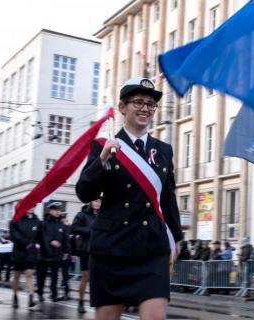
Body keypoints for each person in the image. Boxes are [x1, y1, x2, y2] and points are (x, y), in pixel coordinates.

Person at [75, 77, 183, 320]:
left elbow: (168, 198)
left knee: (155, 316)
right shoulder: (103, 146)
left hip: (151, 247)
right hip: (112, 247)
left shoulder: (163, 150)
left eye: (151, 104)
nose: (145, 108)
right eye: (138, 102)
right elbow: (84, 192)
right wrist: (101, 160)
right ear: (122, 108)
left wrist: (176, 238)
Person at [36, 202, 69, 303]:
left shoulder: (61, 225)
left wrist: (66, 251)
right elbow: (40, 237)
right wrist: (50, 241)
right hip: (44, 254)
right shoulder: (43, 223)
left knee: (55, 276)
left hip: (57, 254)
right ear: (50, 211)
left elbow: (65, 239)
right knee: (42, 275)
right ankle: (40, 293)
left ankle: (54, 294)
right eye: (55, 210)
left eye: (59, 210)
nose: (57, 212)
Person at [71, 199, 100, 313]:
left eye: (100, 201)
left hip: (101, 250)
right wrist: (90, 231)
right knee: (85, 276)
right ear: (91, 202)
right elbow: (74, 228)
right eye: (95, 201)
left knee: (99, 278)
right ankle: (81, 301)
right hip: (86, 249)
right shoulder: (82, 215)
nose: (98, 203)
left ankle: (98, 302)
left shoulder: (104, 214)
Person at [10, 206, 41, 309]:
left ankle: (31, 297)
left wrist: (41, 247)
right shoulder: (17, 218)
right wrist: (23, 242)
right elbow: (13, 234)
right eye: (29, 205)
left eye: (33, 206)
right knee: (17, 276)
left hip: (30, 252)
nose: (31, 208)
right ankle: (15, 296)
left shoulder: (37, 221)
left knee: (29, 273)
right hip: (19, 251)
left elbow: (40, 237)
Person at [59, 213, 72, 301]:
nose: (64, 219)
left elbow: (71, 241)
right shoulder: (61, 227)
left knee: (65, 275)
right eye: (63, 218)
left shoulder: (68, 228)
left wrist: (72, 254)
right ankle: (64, 292)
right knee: (63, 275)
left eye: (65, 218)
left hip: (66, 254)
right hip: (60, 254)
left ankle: (66, 293)